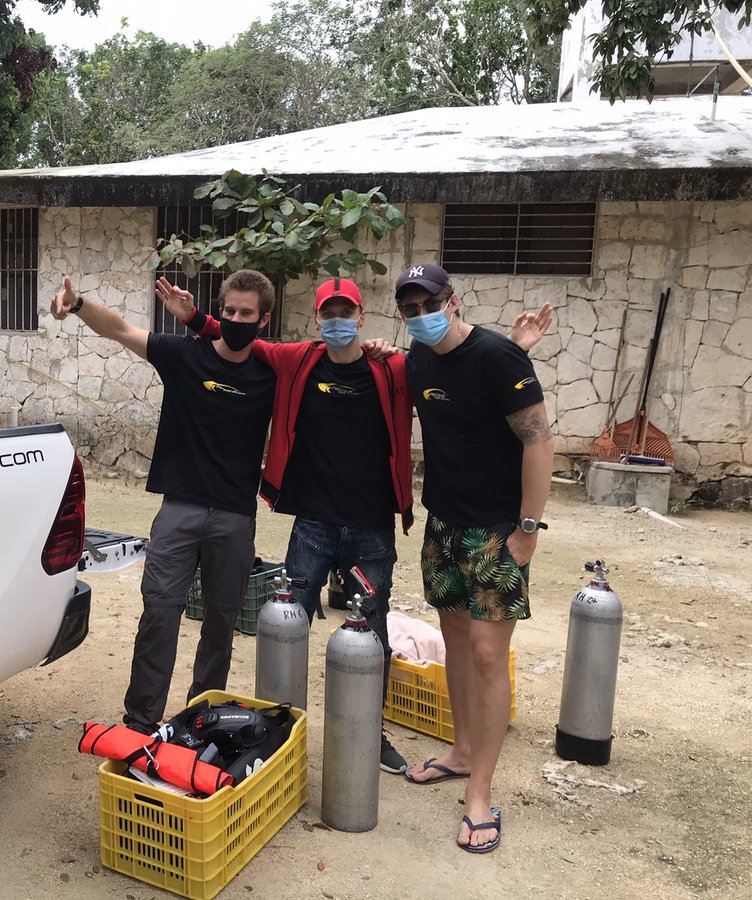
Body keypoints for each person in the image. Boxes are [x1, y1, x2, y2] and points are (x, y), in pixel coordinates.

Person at [167, 278, 552, 775]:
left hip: (373, 528)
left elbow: (472, 375)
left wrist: (515, 351)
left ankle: (369, 734)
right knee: (287, 625)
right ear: (317, 320)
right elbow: (243, 336)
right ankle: (276, 738)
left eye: (345, 314)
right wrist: (194, 319)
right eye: (328, 315)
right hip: (312, 524)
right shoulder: (302, 359)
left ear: (362, 318)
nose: (336, 323)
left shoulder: (395, 365)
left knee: (371, 632)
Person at [51, 270, 277, 735]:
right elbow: (118, 329)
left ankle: (203, 717)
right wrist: (78, 305)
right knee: (159, 613)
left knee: (221, 619)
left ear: (264, 320)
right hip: (179, 510)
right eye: (228, 310)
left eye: (245, 313)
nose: (235, 319)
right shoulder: (182, 356)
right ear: (218, 311)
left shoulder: (272, 373)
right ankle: (140, 722)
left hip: (235, 516)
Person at [395, 263, 555, 855]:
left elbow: (539, 439)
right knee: (456, 640)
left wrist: (528, 529)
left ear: (452, 300)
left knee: (490, 655)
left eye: (428, 305)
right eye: (409, 310)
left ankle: (481, 793)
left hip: (496, 530)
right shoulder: (420, 360)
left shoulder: (500, 356)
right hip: (444, 524)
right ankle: (461, 753)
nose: (419, 317)